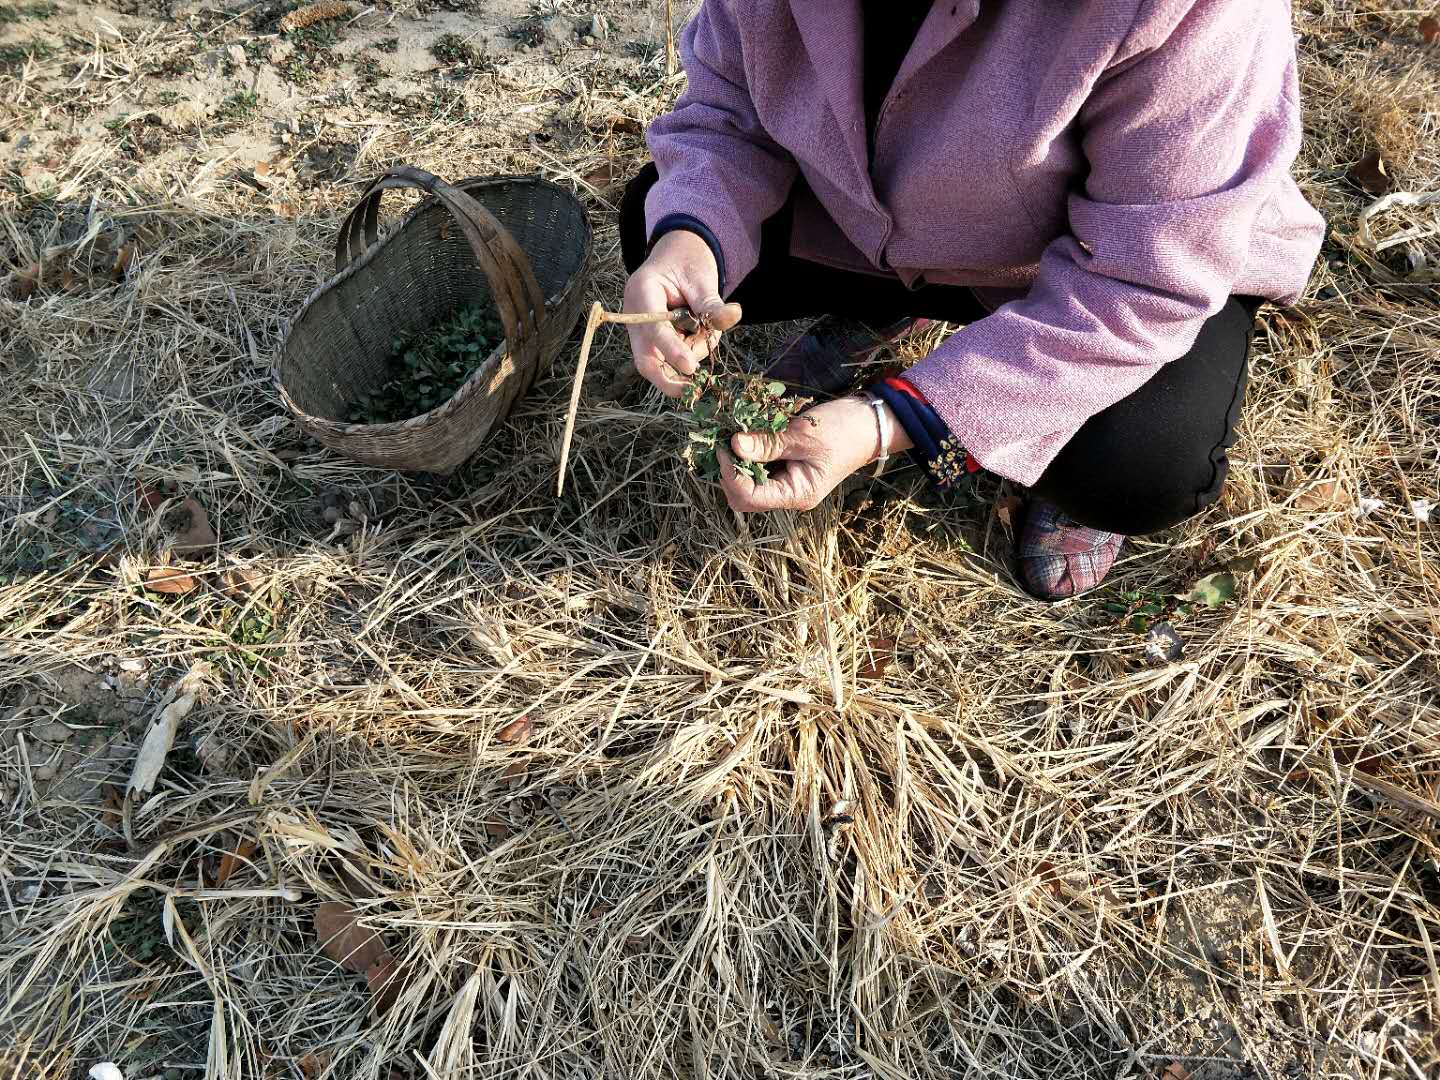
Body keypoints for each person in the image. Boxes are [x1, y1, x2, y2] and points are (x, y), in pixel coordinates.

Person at [618, 0, 1325, 600]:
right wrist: (691, 241)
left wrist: (889, 421)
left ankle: (1047, 457)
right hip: (868, 218)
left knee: (1139, 464)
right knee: (658, 217)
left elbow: (1141, 283)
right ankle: (886, 305)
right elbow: (727, 109)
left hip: (1090, 263)